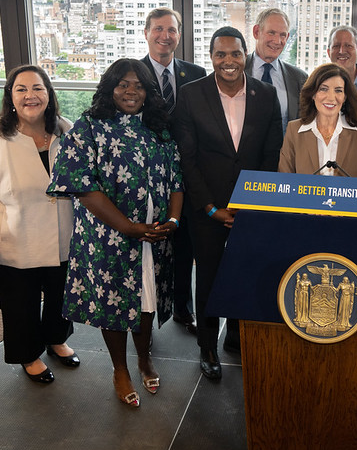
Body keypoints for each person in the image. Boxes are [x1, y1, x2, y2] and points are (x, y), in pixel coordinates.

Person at [48, 58, 183, 407]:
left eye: (138, 85)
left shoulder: (159, 129)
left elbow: (177, 179)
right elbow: (80, 185)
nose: (131, 91)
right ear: (110, 87)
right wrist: (127, 227)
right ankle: (120, 368)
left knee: (147, 300)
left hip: (155, 236)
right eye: (123, 83)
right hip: (109, 237)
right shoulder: (89, 127)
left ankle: (144, 358)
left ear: (149, 91)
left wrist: (174, 220)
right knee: (114, 304)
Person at [0, 65, 77, 384]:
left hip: (63, 234)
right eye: (21, 89)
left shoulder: (66, 129)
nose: (30, 96)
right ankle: (28, 355)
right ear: (10, 96)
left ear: (49, 95)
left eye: (37, 88)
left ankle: (56, 338)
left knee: (60, 294)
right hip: (11, 237)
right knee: (18, 302)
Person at [176, 27, 282, 380]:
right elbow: (187, 160)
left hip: (251, 208)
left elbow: (271, 154)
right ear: (211, 58)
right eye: (220, 55)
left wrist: (253, 202)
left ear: (245, 56)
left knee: (247, 273)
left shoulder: (266, 95)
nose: (228, 61)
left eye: (235, 54)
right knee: (207, 278)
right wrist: (209, 207)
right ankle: (207, 346)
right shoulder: (191, 95)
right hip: (206, 209)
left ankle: (238, 336)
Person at [140, 6, 207, 335]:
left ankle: (183, 308)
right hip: (145, 176)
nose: (165, 36)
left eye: (172, 30)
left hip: (186, 171)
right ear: (147, 32)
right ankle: (144, 315)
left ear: (180, 36)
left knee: (185, 246)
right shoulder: (131, 73)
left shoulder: (195, 73)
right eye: (159, 29)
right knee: (147, 244)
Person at [278, 63, 357, 178]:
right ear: (313, 94)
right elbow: (284, 183)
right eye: (323, 89)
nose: (331, 97)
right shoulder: (294, 129)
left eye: (338, 91)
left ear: (345, 97)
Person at [245, 8, 308, 133]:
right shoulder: (237, 70)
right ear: (256, 32)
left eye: (282, 35)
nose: (277, 41)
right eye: (271, 33)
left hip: (284, 151)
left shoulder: (300, 78)